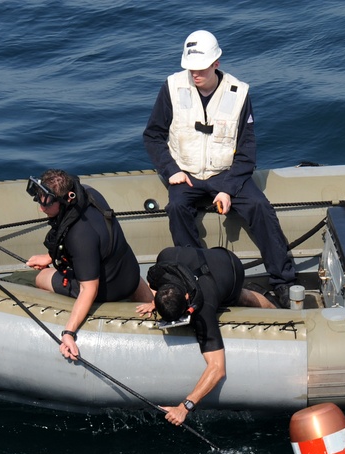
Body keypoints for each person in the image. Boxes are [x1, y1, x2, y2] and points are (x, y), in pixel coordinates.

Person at [143, 29, 297, 308]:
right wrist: (170, 170)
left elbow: (247, 149)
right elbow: (153, 135)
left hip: (226, 174)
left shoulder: (239, 94)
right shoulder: (171, 87)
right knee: (176, 208)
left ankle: (283, 281)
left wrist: (227, 189)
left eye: (200, 68)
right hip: (185, 174)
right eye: (190, 68)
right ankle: (195, 278)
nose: (194, 74)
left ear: (216, 63)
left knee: (260, 207)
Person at [135, 246, 275, 426]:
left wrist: (185, 406)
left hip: (229, 265)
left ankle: (275, 308)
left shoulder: (204, 308)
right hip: (199, 257)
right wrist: (159, 301)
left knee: (241, 298)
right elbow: (161, 286)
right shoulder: (164, 261)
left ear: (187, 298)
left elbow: (217, 368)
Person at [25, 169, 153, 359]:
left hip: (108, 289)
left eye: (47, 203)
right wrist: (49, 256)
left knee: (42, 277)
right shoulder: (89, 193)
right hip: (130, 274)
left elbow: (89, 290)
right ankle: (151, 297)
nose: (41, 208)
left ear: (64, 200)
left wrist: (69, 332)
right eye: (39, 198)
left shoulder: (79, 236)